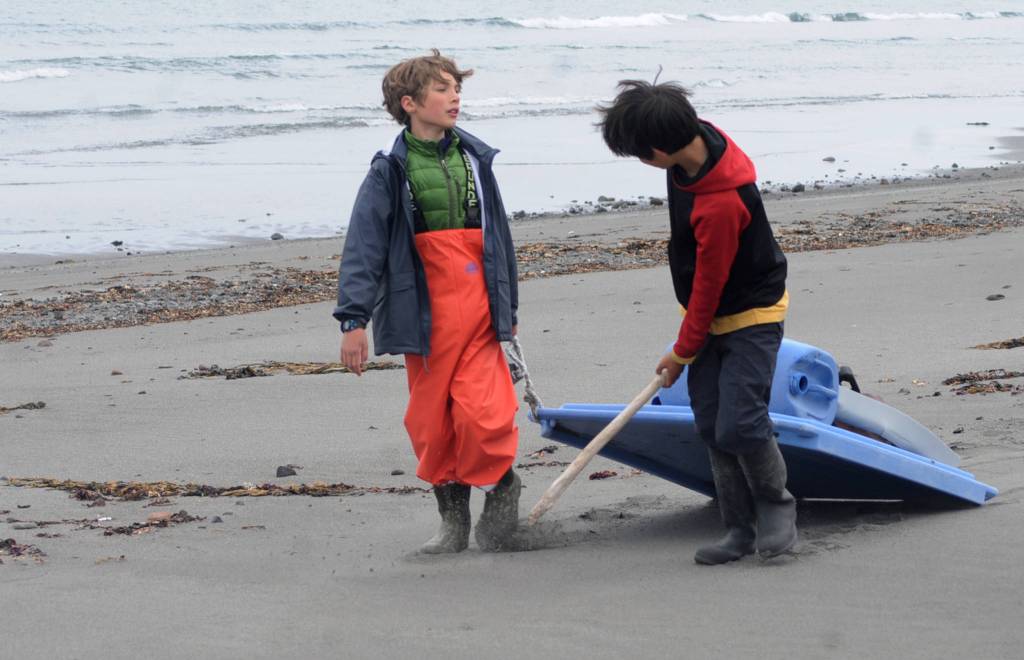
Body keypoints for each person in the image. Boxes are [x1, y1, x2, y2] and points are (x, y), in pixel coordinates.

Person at [597, 79, 797, 564]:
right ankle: (737, 527)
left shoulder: (722, 202)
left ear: (662, 147)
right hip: (705, 316)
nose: (645, 164)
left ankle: (776, 505)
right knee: (710, 422)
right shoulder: (689, 155)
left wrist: (682, 351)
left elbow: (711, 283)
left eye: (643, 155)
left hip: (750, 315)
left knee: (742, 423)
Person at [334, 50, 521, 553]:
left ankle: (504, 495)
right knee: (433, 424)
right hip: (425, 315)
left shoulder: (476, 160)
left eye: (457, 87)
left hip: (480, 309)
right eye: (443, 89)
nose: (455, 96)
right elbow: (364, 246)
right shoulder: (389, 171)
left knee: (483, 416)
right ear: (410, 103)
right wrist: (353, 320)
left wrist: (510, 309)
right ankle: (453, 527)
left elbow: (499, 238)